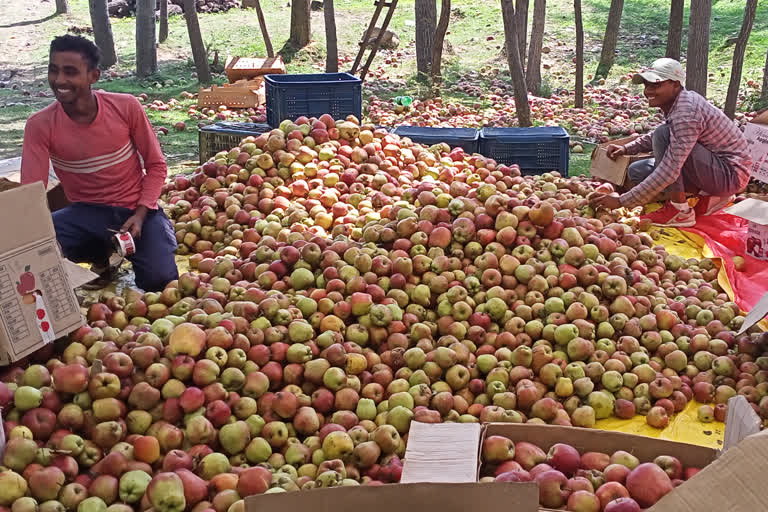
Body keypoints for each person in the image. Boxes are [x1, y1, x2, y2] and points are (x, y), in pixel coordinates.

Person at [21, 35, 178, 291]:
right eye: (54, 70)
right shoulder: (40, 125)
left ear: (94, 76)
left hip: (135, 212)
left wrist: (140, 214)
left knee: (160, 282)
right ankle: (101, 258)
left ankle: (140, 242)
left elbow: (157, 166)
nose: (59, 80)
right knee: (37, 249)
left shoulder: (125, 107)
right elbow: (31, 195)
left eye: (70, 72)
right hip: (85, 213)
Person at [589, 58, 753, 227]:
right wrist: (627, 148)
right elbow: (663, 138)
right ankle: (708, 197)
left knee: (663, 136)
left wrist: (621, 202)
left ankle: (680, 210)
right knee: (637, 171)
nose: (648, 91)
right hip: (715, 167)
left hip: (730, 175)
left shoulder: (686, 113)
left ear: (675, 85)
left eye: (656, 85)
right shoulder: (679, 102)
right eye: (646, 85)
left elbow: (670, 170)